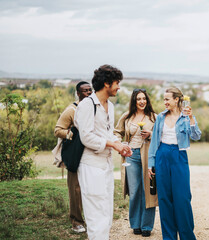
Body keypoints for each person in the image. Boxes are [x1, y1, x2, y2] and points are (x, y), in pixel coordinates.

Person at [75, 64, 132, 240]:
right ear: (107, 83)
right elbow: (86, 137)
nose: (118, 87)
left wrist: (119, 144)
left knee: (106, 212)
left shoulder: (111, 107)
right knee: (96, 214)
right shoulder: (86, 105)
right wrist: (112, 145)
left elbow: (107, 133)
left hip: (106, 165)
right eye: (117, 83)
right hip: (90, 165)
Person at [148, 87, 201, 240]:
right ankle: (169, 237)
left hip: (179, 156)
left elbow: (196, 136)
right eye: (164, 99)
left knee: (182, 198)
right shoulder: (160, 117)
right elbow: (154, 142)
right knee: (165, 199)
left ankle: (187, 236)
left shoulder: (186, 117)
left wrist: (191, 119)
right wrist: (151, 164)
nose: (165, 102)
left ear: (176, 99)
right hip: (162, 156)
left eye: (167, 99)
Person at [114, 88, 158, 237]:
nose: (142, 101)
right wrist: (120, 145)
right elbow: (116, 132)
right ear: (134, 100)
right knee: (134, 192)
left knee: (148, 191)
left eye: (144, 98)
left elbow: (162, 135)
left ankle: (146, 226)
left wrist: (151, 134)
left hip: (148, 157)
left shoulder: (153, 117)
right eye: (138, 99)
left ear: (147, 100)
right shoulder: (127, 117)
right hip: (131, 156)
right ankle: (135, 224)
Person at [53, 81, 92, 233]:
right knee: (75, 189)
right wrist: (72, 134)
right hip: (75, 154)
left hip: (90, 154)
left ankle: (90, 218)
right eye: (85, 91)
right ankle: (76, 221)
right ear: (78, 93)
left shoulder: (94, 108)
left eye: (90, 90)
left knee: (89, 188)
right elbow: (58, 130)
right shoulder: (71, 110)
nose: (88, 93)